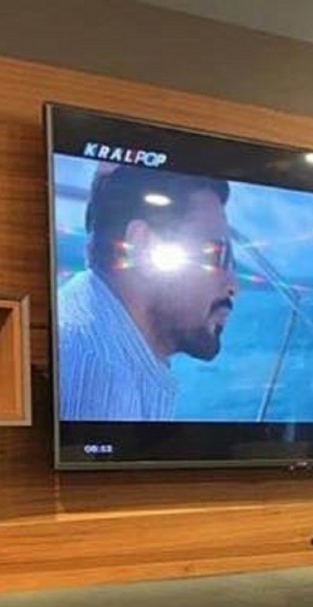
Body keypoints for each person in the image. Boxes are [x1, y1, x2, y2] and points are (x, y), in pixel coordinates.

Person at [56, 165, 239, 421]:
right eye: (217, 256)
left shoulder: (96, 329)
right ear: (142, 245)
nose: (233, 286)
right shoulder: (101, 374)